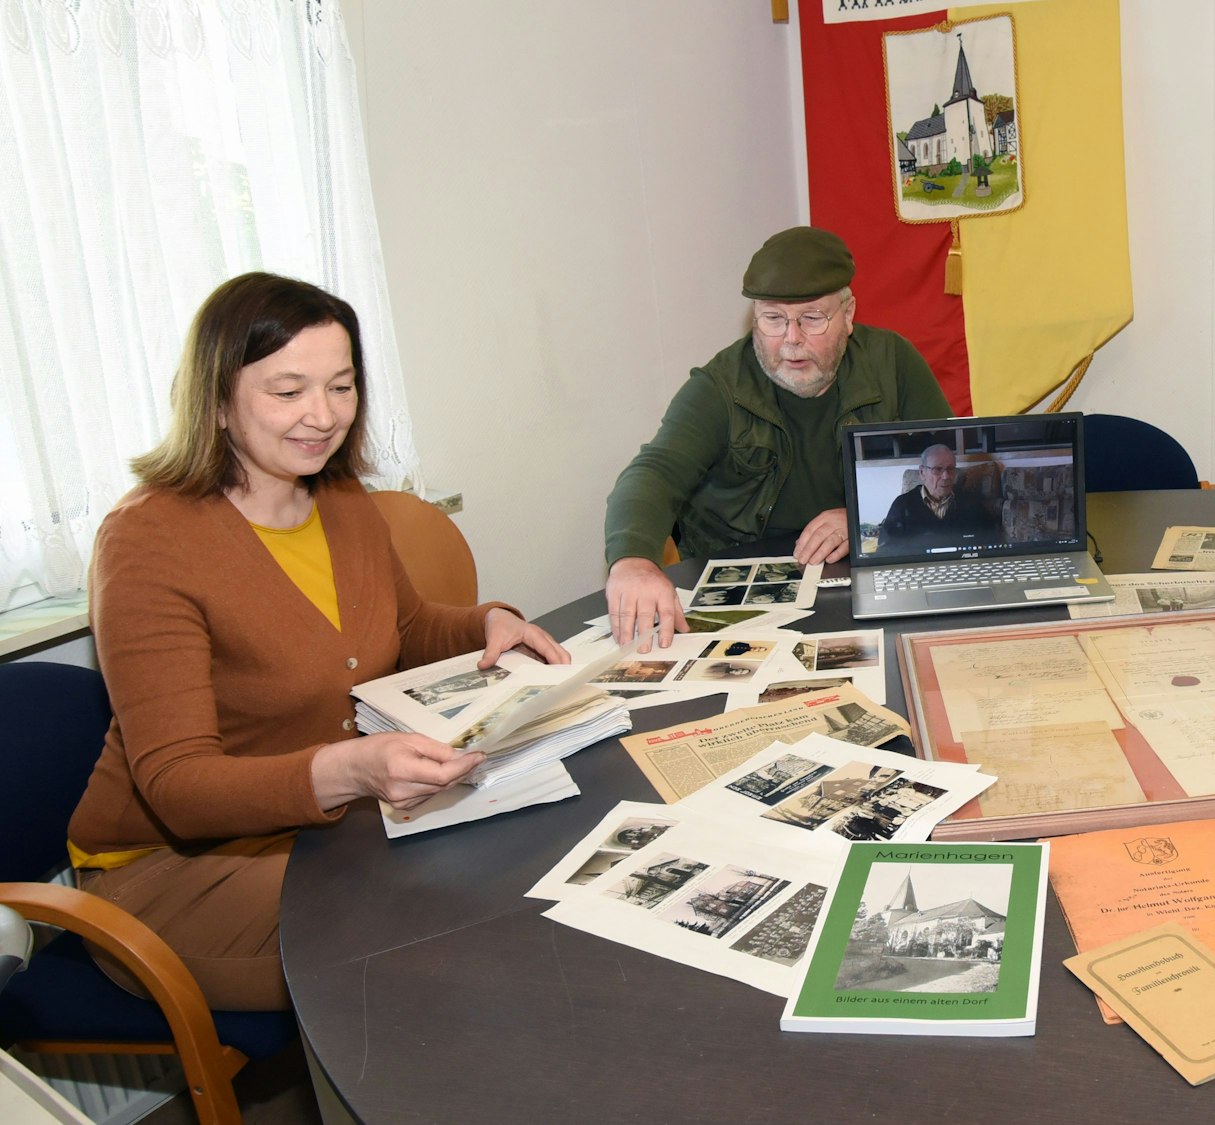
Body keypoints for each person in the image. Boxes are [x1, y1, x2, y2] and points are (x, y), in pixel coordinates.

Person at [66, 273, 568, 1011]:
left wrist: (487, 622)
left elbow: (398, 630)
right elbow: (177, 784)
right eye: (288, 389)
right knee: (442, 939)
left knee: (506, 870)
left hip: (315, 830)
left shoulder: (339, 497)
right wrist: (348, 770)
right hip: (172, 867)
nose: (322, 415)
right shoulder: (148, 539)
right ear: (217, 396)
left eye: (341, 386)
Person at [603, 226, 952, 648]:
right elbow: (654, 472)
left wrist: (864, 518)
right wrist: (633, 561)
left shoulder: (892, 364)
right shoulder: (720, 387)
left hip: (863, 578)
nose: (791, 339)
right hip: (742, 588)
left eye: (811, 318)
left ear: (848, 313)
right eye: (773, 319)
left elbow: (946, 464)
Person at [877, 444, 1001, 548]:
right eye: (937, 469)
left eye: (951, 469)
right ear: (922, 473)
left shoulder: (971, 503)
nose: (946, 476)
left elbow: (992, 544)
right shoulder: (903, 505)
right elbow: (886, 550)